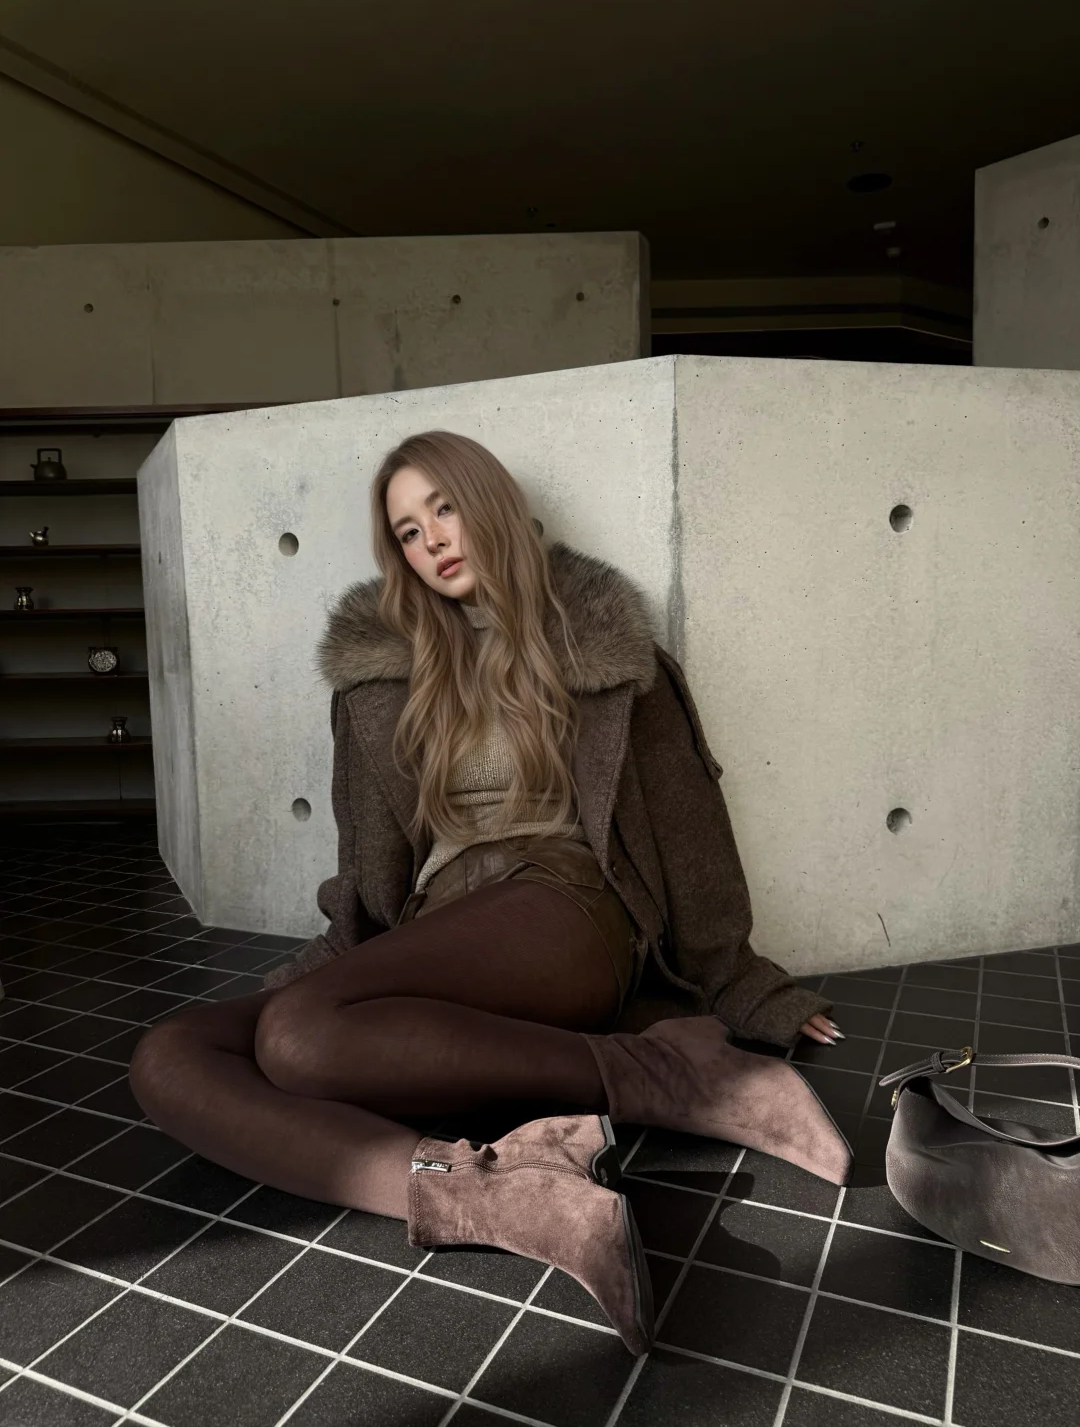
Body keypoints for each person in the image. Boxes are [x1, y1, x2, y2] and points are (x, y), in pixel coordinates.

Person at [130, 430, 852, 1356]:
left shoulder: (598, 646)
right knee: (171, 1053)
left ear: (491, 504)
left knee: (299, 1036)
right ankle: (494, 1193)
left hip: (567, 905)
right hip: (445, 924)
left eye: (445, 508)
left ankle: (668, 1073)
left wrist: (745, 984)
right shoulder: (382, 673)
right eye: (407, 530)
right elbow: (369, 869)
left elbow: (690, 832)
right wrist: (333, 966)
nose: (432, 538)